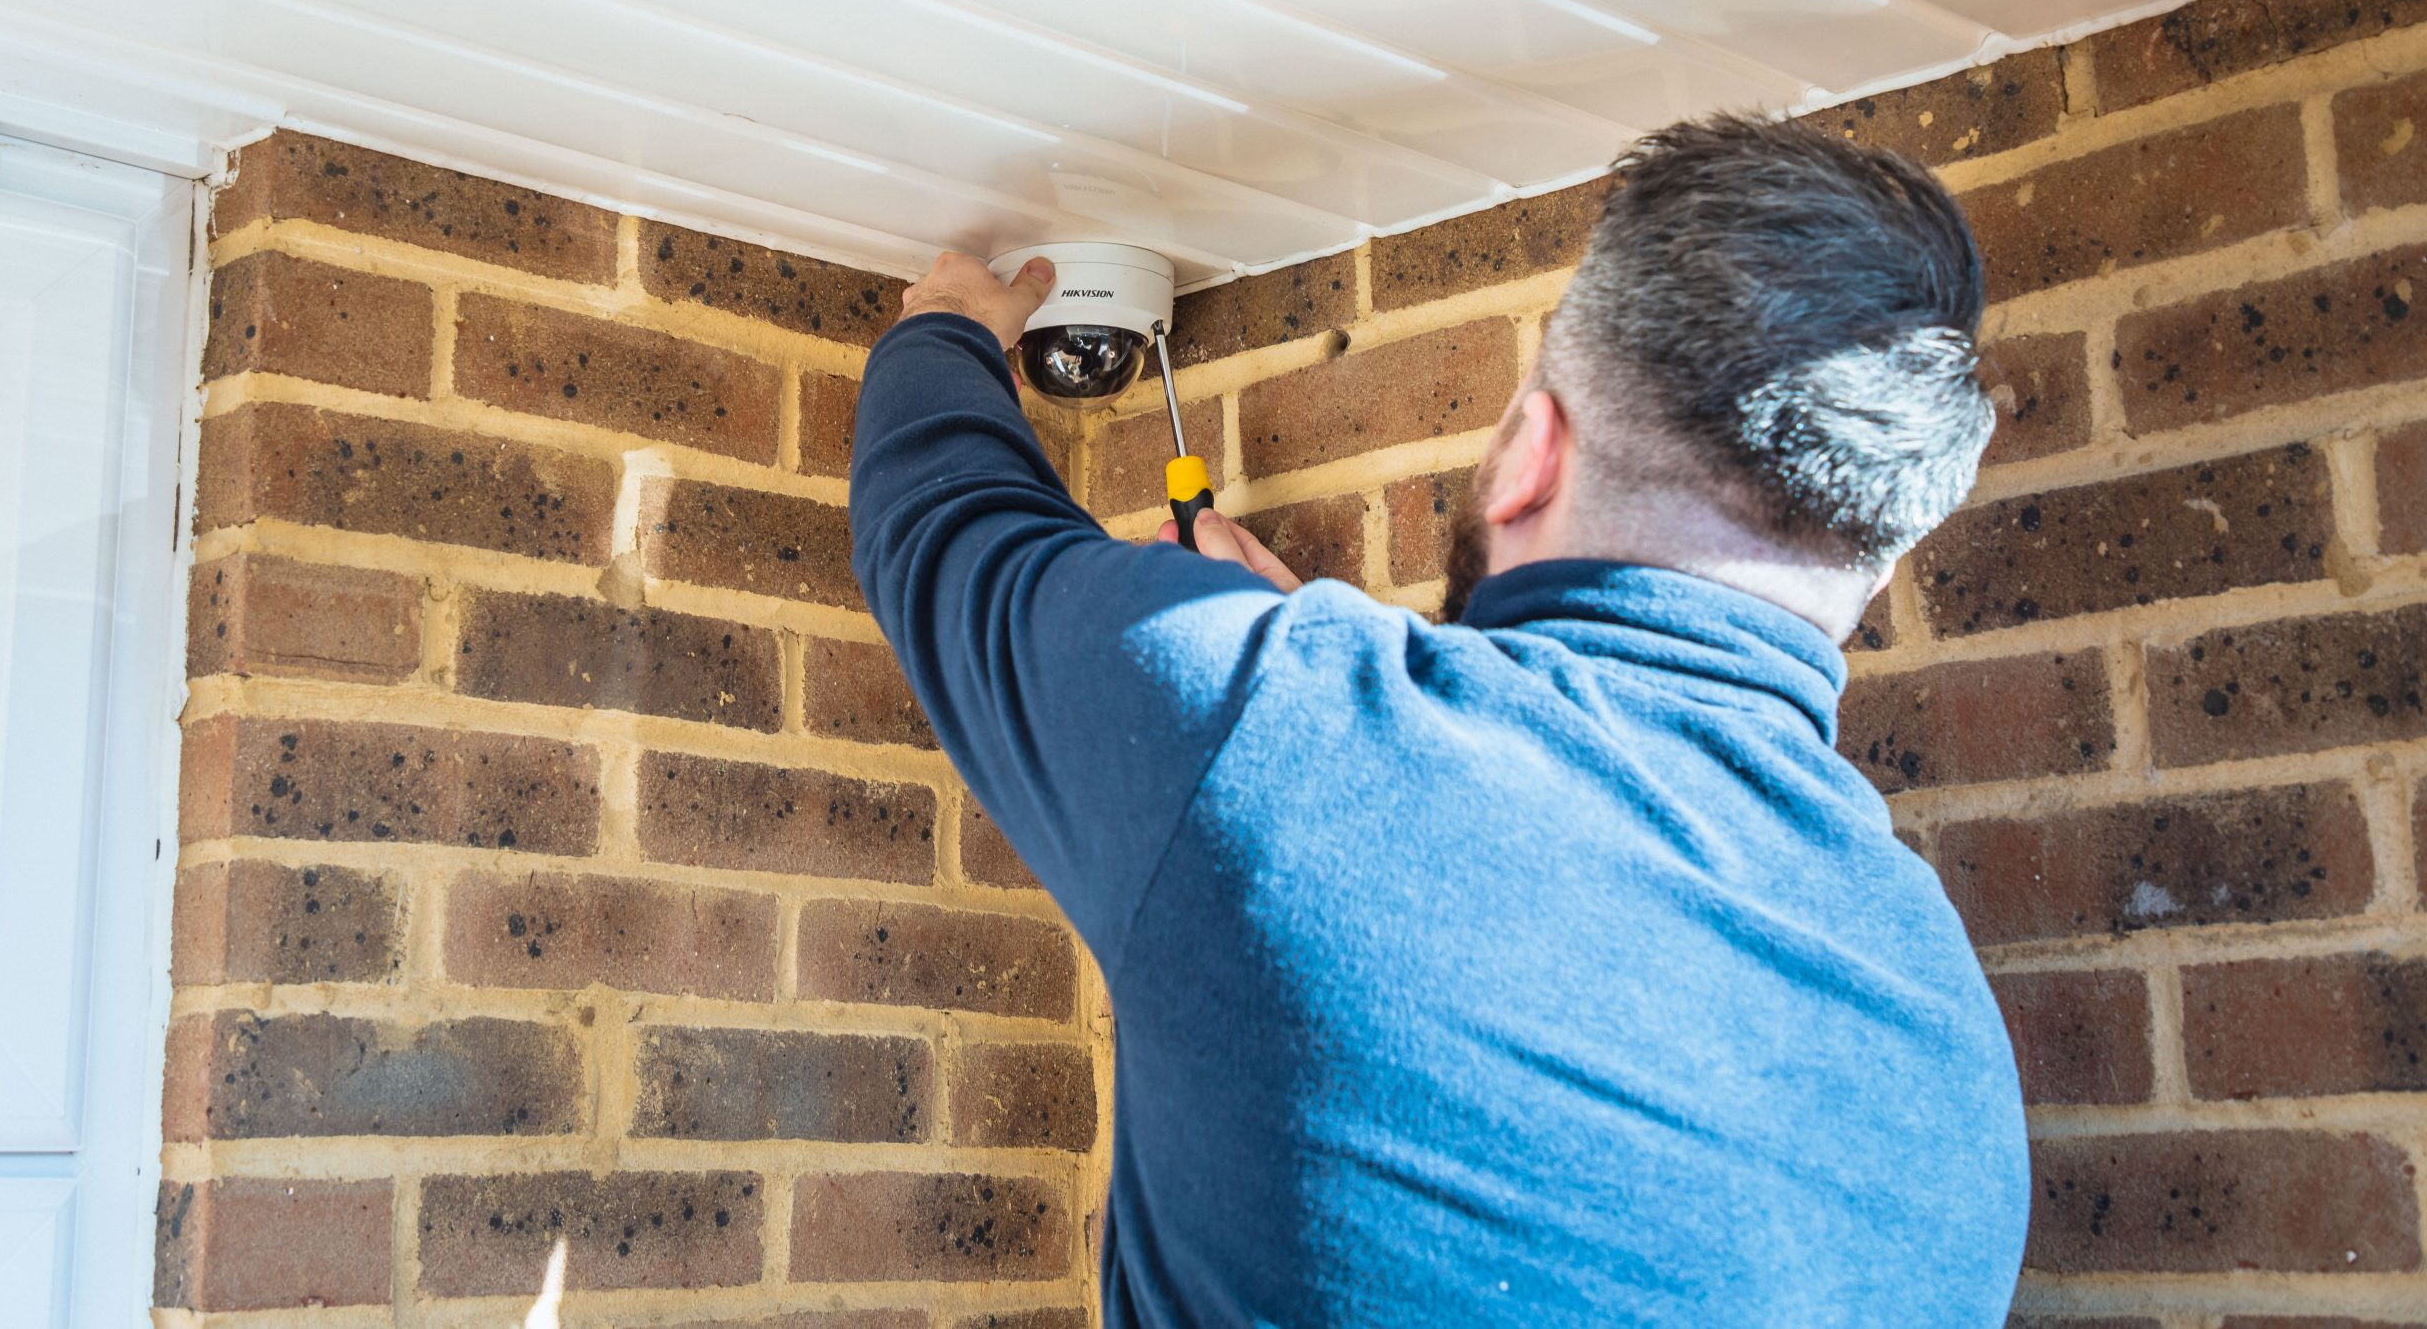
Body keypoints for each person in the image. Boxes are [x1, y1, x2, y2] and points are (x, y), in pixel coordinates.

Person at [847, 115, 2028, 1327]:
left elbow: (945, 533)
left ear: (1529, 453)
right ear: (1872, 570)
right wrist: (1318, 689)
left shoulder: (1273, 732)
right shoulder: (1939, 1013)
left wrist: (940, 334)